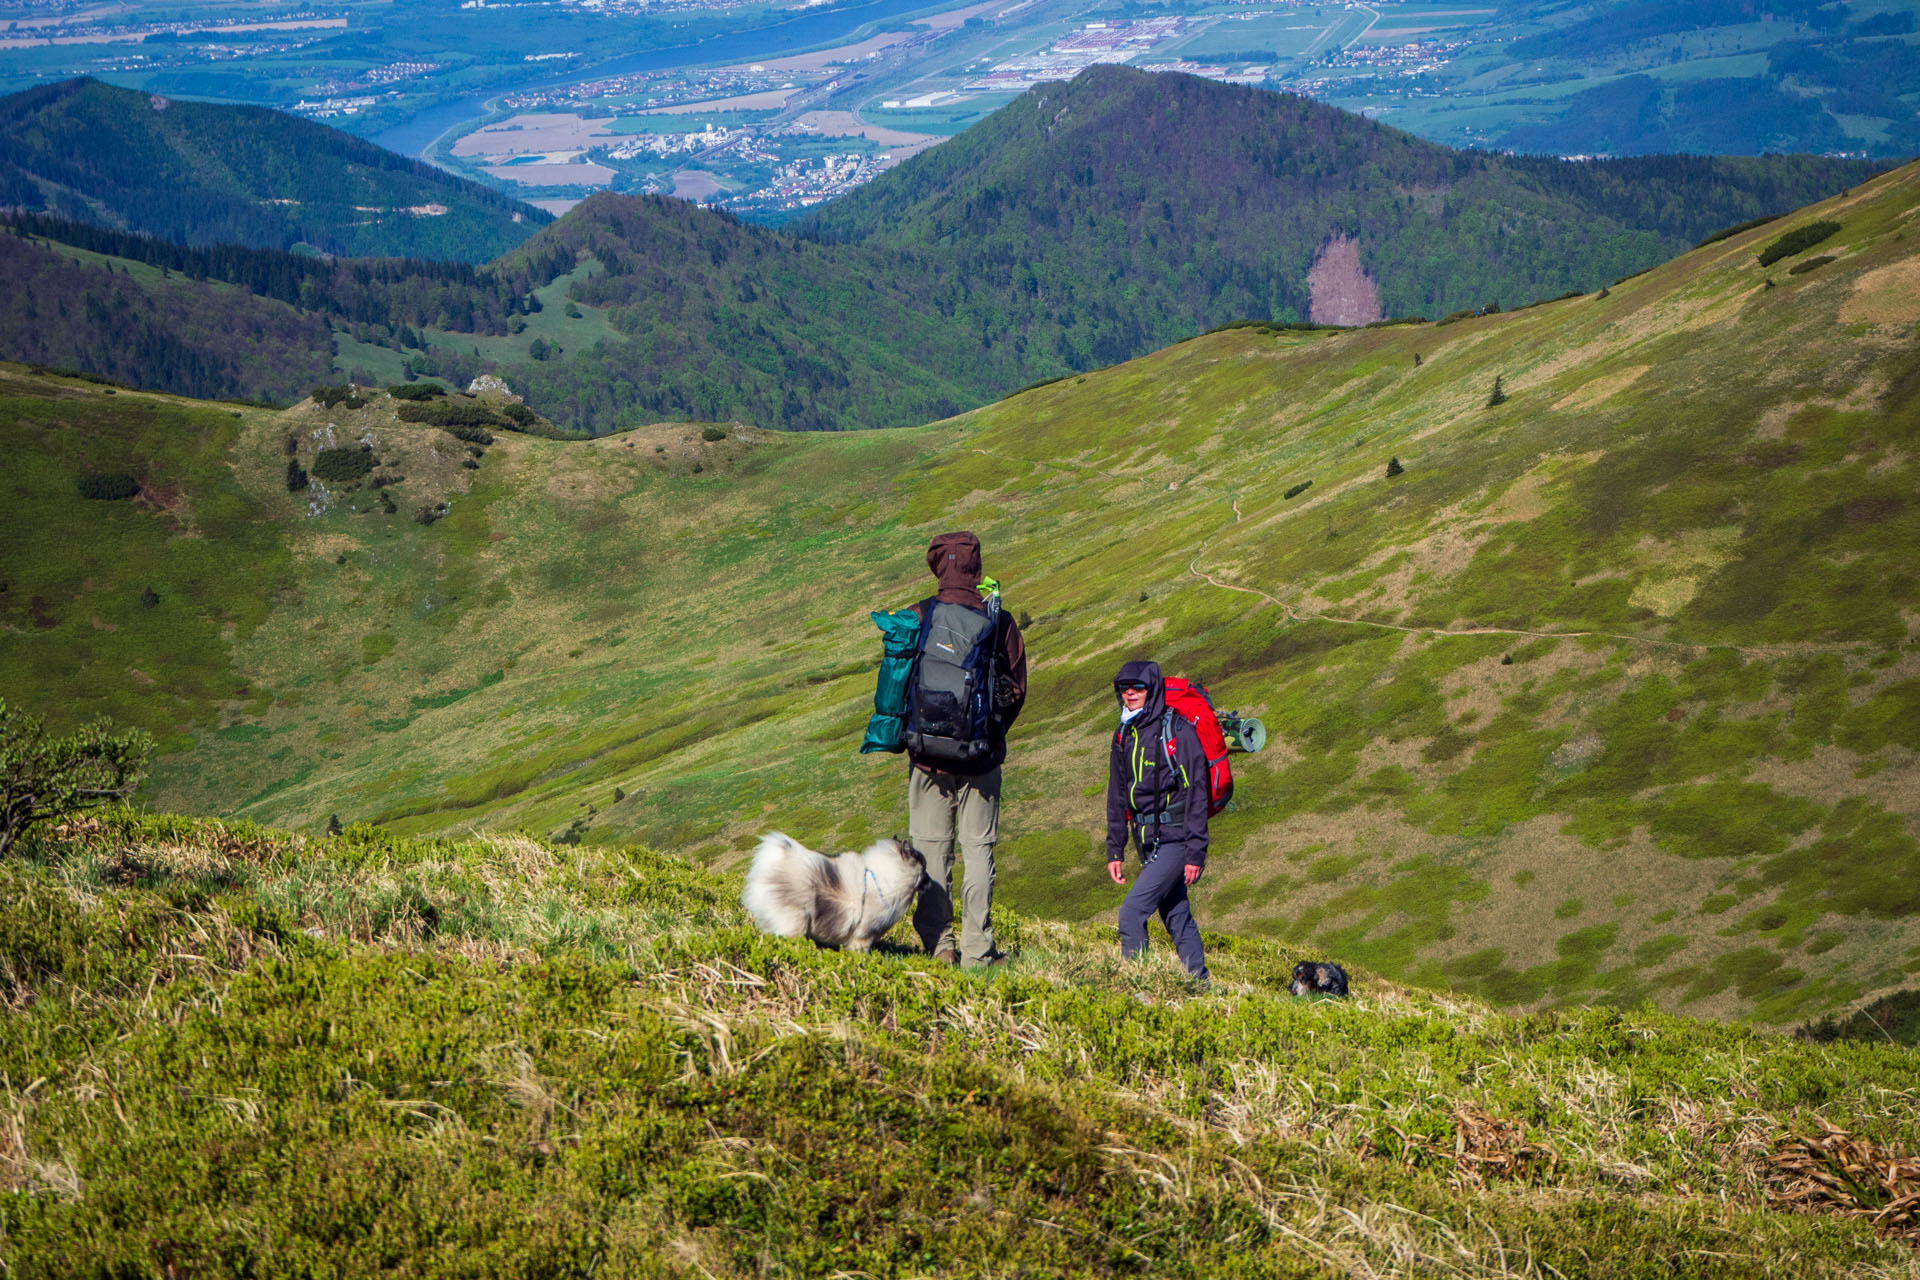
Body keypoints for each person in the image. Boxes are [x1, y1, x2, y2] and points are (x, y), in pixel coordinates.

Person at [905, 531, 1026, 967]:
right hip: (981, 757)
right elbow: (1016, 689)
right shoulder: (1001, 621)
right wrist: (987, 735)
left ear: (937, 567)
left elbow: (900, 688)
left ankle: (940, 945)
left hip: (926, 757)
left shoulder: (920, 615)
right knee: (978, 850)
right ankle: (978, 952)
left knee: (932, 847)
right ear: (976, 568)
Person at [1105, 659, 1209, 983]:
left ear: (1152, 689)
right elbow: (1117, 793)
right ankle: (1200, 984)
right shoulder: (1124, 734)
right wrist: (1115, 848)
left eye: (1138, 687)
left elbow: (1198, 792)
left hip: (1176, 839)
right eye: (1124, 688)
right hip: (1147, 839)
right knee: (1176, 914)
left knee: (1131, 914)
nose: (1130, 693)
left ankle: (1139, 988)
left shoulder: (1177, 730)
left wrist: (1195, 852)